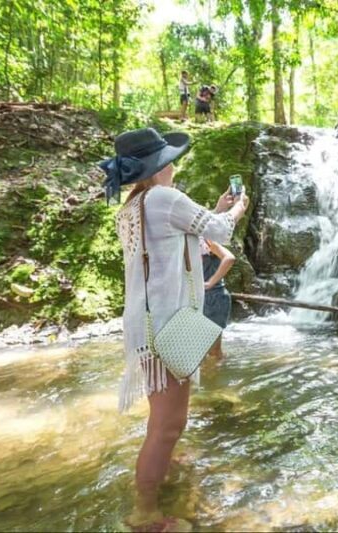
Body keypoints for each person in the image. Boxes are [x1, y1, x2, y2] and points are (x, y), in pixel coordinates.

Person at [99, 128, 248, 532]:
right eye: (169, 161)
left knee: (163, 419)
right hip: (168, 323)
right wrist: (236, 209)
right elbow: (221, 231)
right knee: (169, 426)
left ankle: (159, 475)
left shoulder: (134, 205)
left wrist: (214, 209)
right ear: (157, 167)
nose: (174, 166)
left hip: (148, 321)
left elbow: (181, 236)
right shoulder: (164, 198)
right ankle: (144, 513)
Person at [200, 237, 235, 357]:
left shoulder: (208, 241)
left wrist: (210, 282)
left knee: (213, 351)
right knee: (200, 350)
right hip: (199, 299)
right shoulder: (186, 241)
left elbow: (229, 258)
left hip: (214, 299)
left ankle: (219, 367)